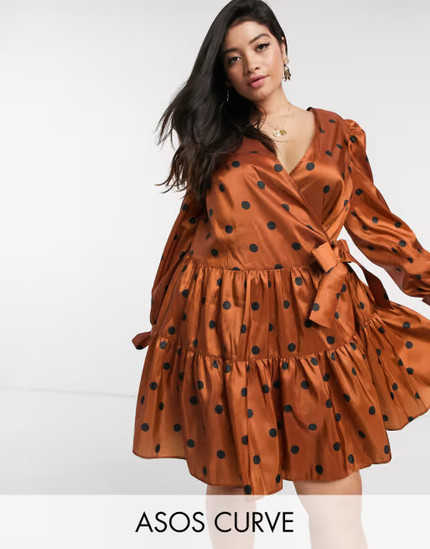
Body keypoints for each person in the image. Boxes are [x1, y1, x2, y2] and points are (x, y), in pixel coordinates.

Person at [131, 0, 430, 546]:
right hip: (229, 327)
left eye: (260, 46)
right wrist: (163, 321)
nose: (250, 64)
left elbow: (377, 225)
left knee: (336, 504)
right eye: (232, 58)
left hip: (317, 326)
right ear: (223, 72)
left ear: (284, 48)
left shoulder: (339, 133)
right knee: (235, 498)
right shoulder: (216, 141)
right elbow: (187, 232)